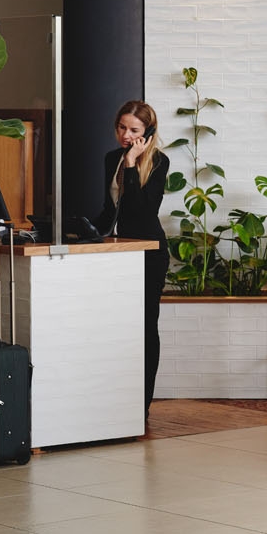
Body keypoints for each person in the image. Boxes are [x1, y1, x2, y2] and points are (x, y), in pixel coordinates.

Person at [93, 100, 170, 423]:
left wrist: (132, 164)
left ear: (148, 132)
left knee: (145, 326)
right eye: (121, 128)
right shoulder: (111, 158)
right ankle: (117, 398)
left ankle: (142, 403)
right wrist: (83, 232)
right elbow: (110, 210)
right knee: (116, 326)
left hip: (149, 252)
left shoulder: (158, 161)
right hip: (118, 252)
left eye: (134, 130)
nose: (125, 135)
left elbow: (142, 210)